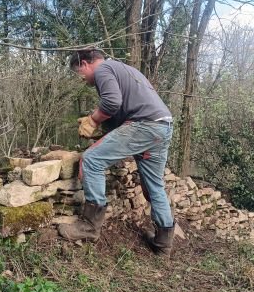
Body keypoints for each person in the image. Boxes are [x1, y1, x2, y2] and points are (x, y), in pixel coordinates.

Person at [58, 48, 175, 256]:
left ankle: (89, 227)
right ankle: (163, 243)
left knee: (91, 160)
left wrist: (93, 120)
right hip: (162, 126)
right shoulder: (125, 70)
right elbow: (119, 115)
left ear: (85, 63)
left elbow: (112, 102)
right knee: (154, 186)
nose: (81, 78)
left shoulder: (103, 69)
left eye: (79, 72)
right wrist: (98, 130)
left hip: (144, 126)